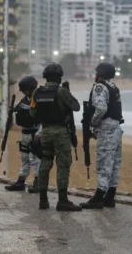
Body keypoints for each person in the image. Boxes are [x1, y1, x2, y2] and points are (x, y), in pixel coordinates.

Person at [30, 62, 82, 211]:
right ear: (59, 77)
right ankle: (62, 200)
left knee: (45, 163)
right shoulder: (61, 91)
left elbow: (32, 114)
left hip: (45, 132)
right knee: (63, 164)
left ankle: (43, 200)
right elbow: (76, 106)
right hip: (60, 132)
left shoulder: (36, 93)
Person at [80, 62, 124, 209]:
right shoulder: (114, 87)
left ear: (101, 74)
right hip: (116, 128)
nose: (95, 75)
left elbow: (101, 108)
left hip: (106, 128)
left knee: (104, 163)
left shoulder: (100, 87)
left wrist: (92, 122)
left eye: (97, 72)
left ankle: (99, 196)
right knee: (114, 163)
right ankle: (110, 197)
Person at [5, 75, 41, 193]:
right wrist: (12, 110)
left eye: (25, 90)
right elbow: (18, 108)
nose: (24, 92)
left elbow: (43, 118)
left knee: (34, 158)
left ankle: (38, 182)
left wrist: (39, 134)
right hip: (25, 132)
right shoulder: (26, 99)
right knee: (25, 158)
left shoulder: (38, 99)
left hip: (34, 134)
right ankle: (21, 181)